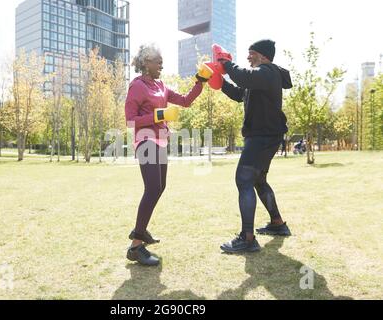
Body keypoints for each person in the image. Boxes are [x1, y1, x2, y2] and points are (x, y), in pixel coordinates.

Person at [124, 44, 213, 266]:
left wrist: (200, 82)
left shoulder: (161, 85)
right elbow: (130, 120)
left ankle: (140, 231)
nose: (161, 64)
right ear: (145, 63)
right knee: (152, 188)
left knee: (160, 187)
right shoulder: (137, 86)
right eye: (157, 60)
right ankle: (136, 244)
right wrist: (158, 115)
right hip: (145, 140)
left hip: (161, 141)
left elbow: (185, 101)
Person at [218, 39, 293, 254]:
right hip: (264, 135)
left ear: (263, 56)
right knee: (258, 180)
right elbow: (239, 94)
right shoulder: (260, 78)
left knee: (243, 179)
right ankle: (277, 223)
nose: (248, 57)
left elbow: (242, 76)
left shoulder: (268, 72)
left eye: (251, 53)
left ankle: (247, 238)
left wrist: (225, 64)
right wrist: (219, 81)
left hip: (262, 136)